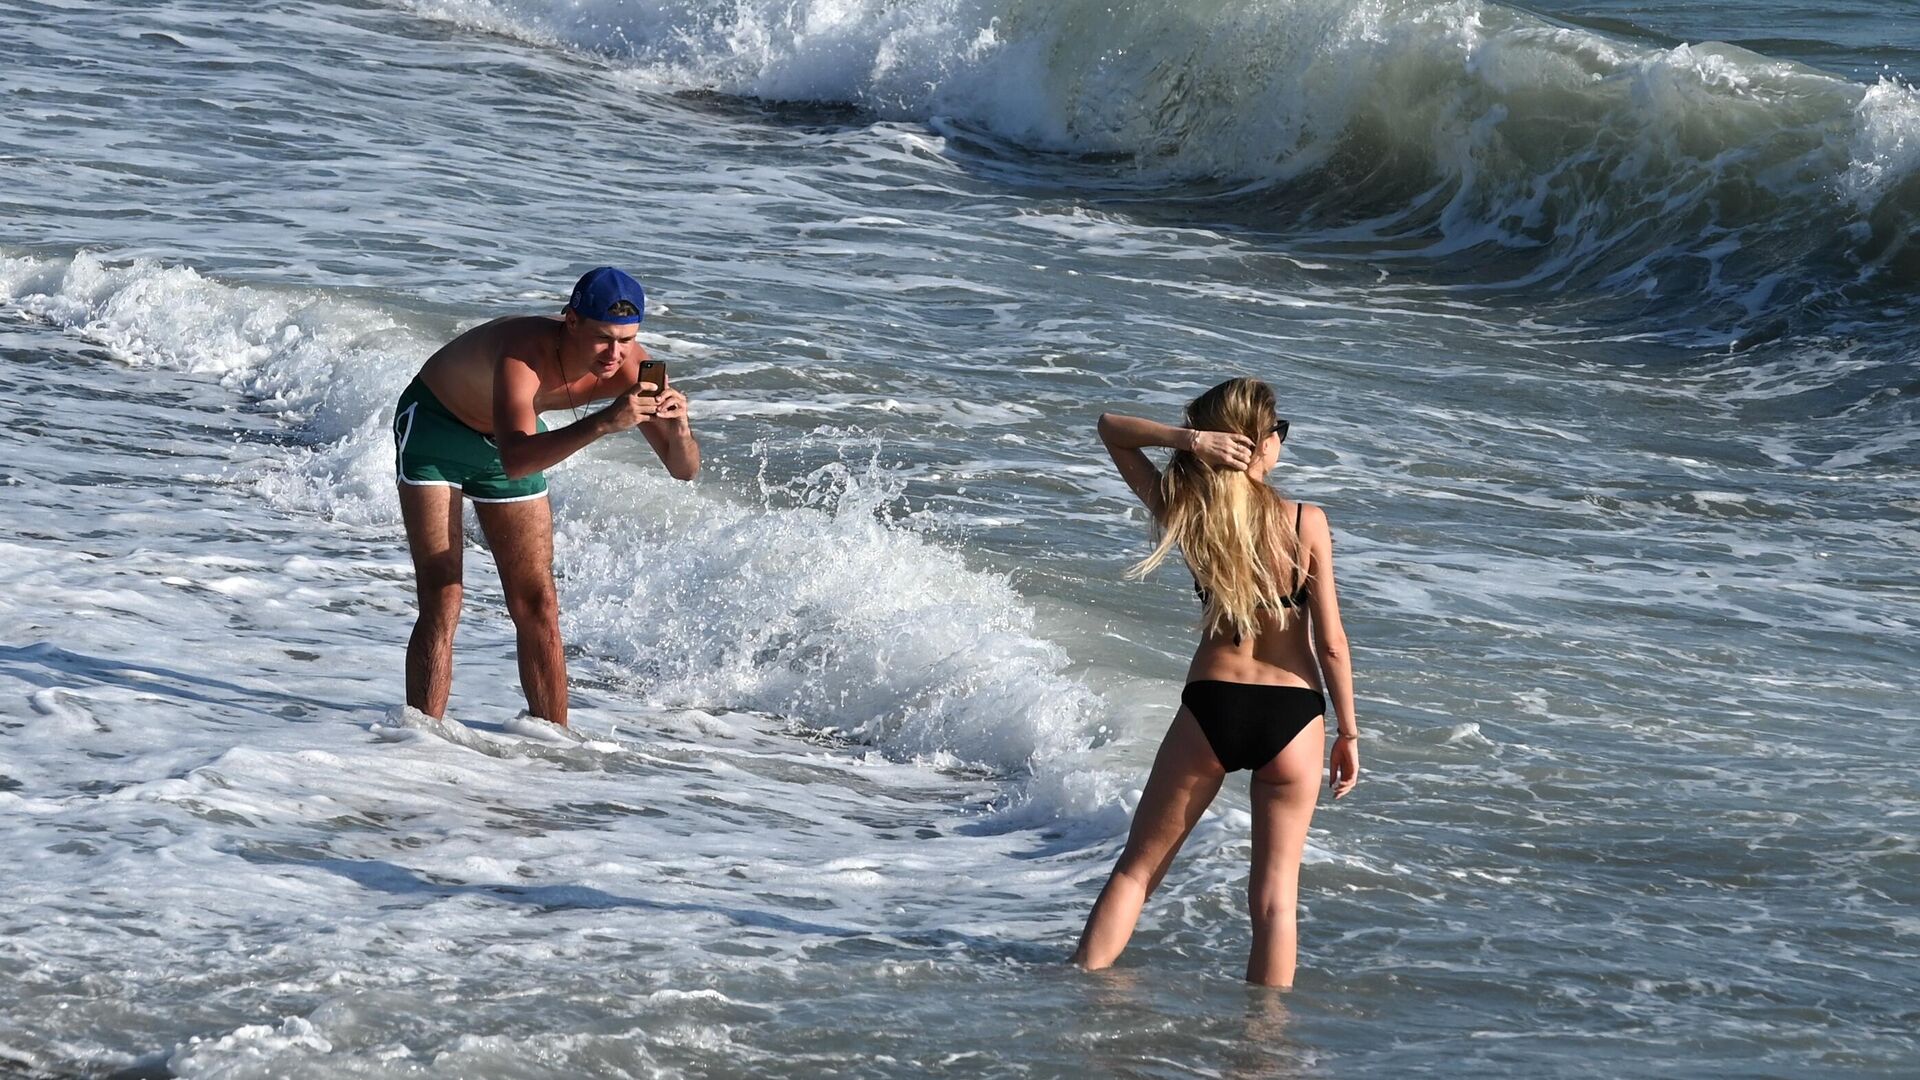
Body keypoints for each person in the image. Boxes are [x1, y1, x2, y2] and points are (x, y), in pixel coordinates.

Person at [1071, 377, 1358, 987]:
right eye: (1278, 432)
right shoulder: (1307, 520)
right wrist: (1349, 733)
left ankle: (1077, 997)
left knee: (1135, 873)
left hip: (1212, 705)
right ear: (1258, 442)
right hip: (1295, 714)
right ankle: (1263, 1048)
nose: (1281, 443)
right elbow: (1331, 641)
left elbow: (1110, 430)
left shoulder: (1189, 510)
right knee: (1276, 901)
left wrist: (1188, 442)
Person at [391, 266, 698, 728]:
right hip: (438, 430)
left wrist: (679, 429)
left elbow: (683, 470)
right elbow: (518, 460)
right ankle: (420, 738)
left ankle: (554, 745)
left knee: (539, 603)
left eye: (627, 339)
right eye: (602, 339)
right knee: (443, 593)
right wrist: (603, 423)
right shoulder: (524, 353)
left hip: (512, 439)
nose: (615, 354)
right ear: (571, 321)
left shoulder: (634, 365)